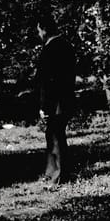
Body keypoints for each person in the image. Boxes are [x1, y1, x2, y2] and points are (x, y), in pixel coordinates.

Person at [35, 14, 75, 184]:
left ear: (44, 30)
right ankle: (54, 172)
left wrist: (44, 105)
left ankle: (57, 176)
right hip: (66, 99)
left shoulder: (50, 49)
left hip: (55, 102)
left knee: (55, 138)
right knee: (56, 136)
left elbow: (47, 82)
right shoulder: (67, 45)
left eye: (38, 30)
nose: (38, 34)